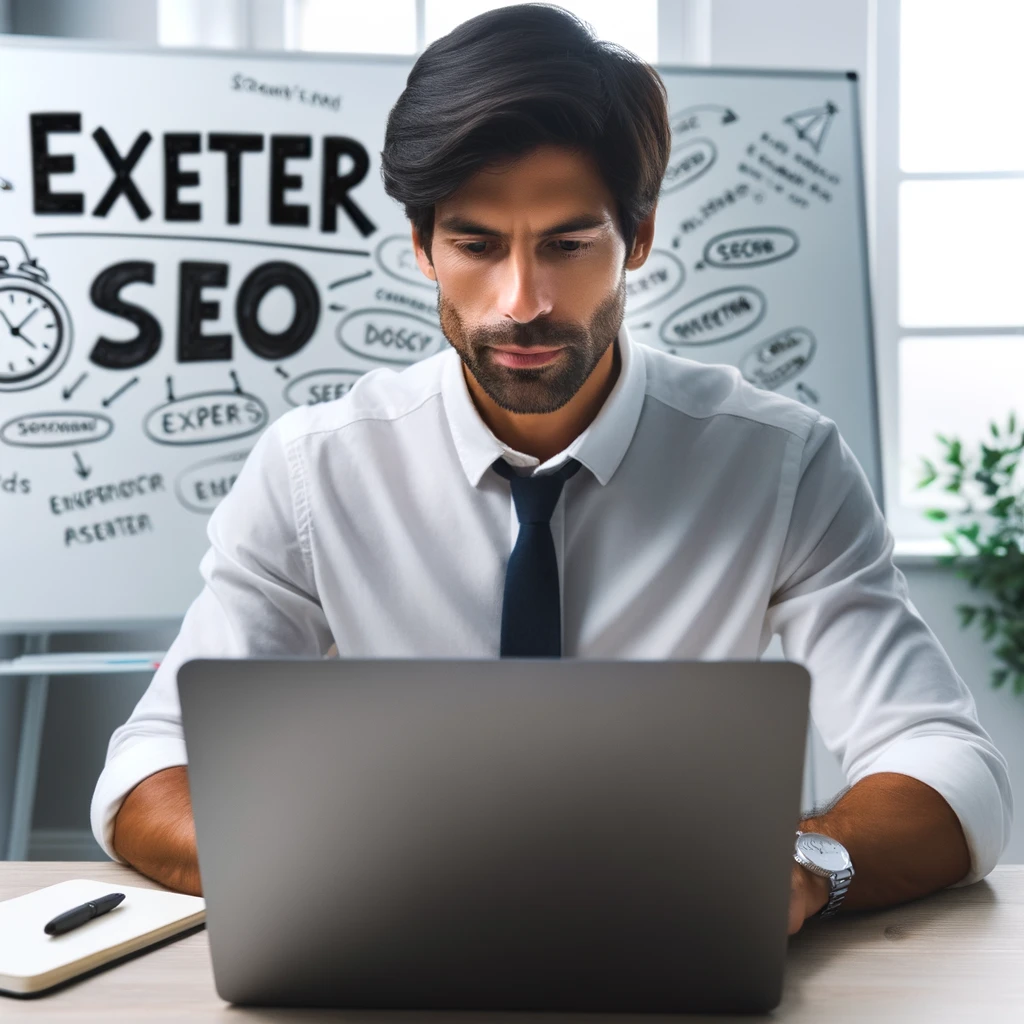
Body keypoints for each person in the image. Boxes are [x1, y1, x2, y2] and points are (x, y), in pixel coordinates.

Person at [92, 4, 1011, 936]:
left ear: (638, 240)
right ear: (422, 247)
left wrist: (803, 867)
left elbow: (950, 766)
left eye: (569, 245)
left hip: (674, 953)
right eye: (476, 245)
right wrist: (334, 868)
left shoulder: (781, 462)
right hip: (389, 951)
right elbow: (146, 771)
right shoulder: (312, 470)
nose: (521, 303)